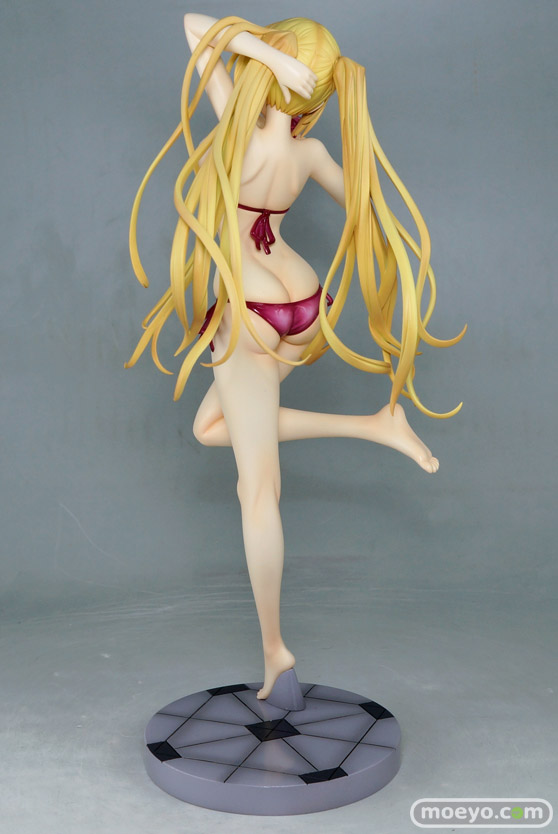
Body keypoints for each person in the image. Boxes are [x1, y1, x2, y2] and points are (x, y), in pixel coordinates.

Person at [125, 14, 466, 699]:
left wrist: (265, 57)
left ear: (271, 69)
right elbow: (369, 208)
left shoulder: (236, 130)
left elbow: (196, 27)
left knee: (258, 490)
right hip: (306, 303)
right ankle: (374, 426)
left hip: (249, 314)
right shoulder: (309, 157)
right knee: (211, 428)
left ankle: (275, 649)